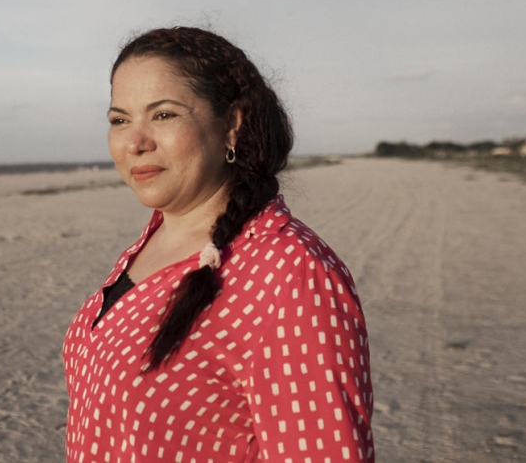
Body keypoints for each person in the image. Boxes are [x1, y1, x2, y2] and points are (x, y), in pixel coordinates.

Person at [63, 27, 374, 462]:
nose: (135, 142)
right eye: (120, 120)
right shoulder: (149, 243)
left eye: (164, 115)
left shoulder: (289, 273)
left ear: (231, 124)